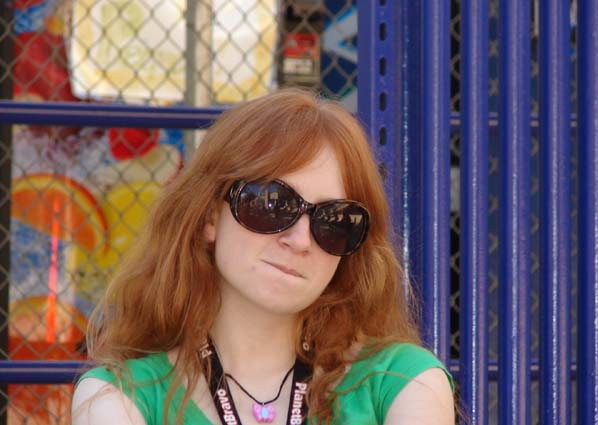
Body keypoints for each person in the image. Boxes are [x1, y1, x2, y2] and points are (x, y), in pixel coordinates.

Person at [71, 88, 455, 424]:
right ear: (209, 217)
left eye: (334, 220)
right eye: (272, 203)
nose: (301, 240)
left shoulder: (403, 382)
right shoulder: (118, 395)